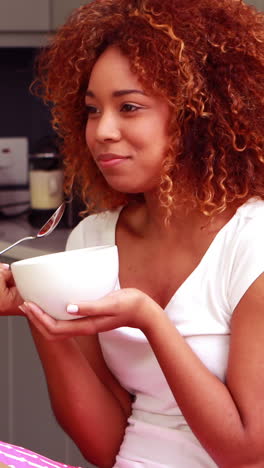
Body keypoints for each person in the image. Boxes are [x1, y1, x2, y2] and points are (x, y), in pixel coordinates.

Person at [0, 0, 264, 466]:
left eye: (129, 107)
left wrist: (150, 320)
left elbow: (246, 451)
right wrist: (37, 304)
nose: (102, 131)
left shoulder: (252, 240)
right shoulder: (93, 240)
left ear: (198, 116)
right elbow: (105, 448)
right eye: (91, 110)